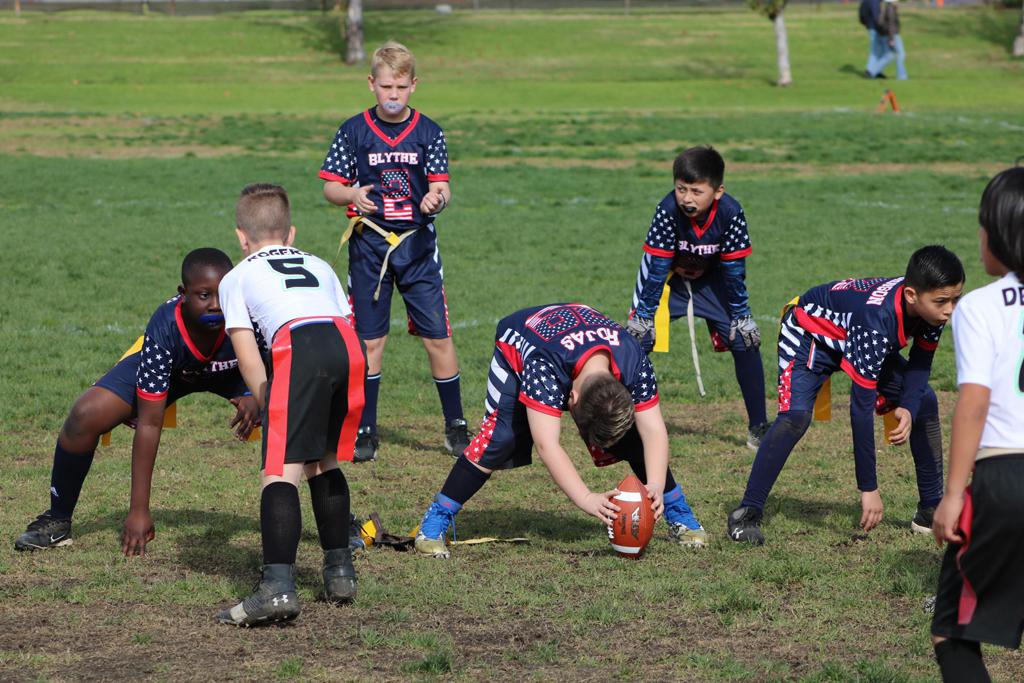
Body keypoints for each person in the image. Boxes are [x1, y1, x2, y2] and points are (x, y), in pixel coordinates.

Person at [413, 303, 707, 559]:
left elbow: (654, 430)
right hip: (520, 342)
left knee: (630, 436)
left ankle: (678, 510)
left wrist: (655, 485)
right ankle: (436, 519)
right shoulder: (544, 367)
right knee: (501, 438)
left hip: (576, 334)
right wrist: (586, 498)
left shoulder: (633, 357)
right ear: (571, 399)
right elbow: (547, 444)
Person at [14, 248, 259, 554]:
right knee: (85, 415)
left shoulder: (247, 312)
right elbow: (150, 420)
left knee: (299, 411)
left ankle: (331, 535)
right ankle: (58, 520)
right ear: (183, 294)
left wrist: (256, 395)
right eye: (203, 295)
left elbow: (280, 363)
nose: (214, 306)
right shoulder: (166, 324)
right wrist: (138, 510)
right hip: (172, 370)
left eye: (221, 295)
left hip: (237, 372)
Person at [728, 245, 965, 546]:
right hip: (809, 335)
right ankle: (746, 512)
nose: (950, 309)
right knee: (795, 418)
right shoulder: (877, 323)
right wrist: (869, 488)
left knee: (925, 401)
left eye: (956, 299)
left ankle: (931, 508)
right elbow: (860, 409)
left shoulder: (932, 308)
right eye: (943, 301)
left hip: (855, 337)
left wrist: (907, 406)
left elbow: (920, 364)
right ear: (911, 296)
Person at [215, 183, 366, 627]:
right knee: (324, 460)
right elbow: (343, 320)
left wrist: (266, 403)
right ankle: (340, 573)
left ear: (242, 238)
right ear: (291, 233)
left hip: (298, 346)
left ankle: (277, 588)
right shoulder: (319, 263)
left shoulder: (236, 275)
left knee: (280, 469)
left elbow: (246, 353)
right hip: (346, 347)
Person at [319, 41, 469, 463]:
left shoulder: (428, 131)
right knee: (370, 342)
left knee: (438, 337)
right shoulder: (353, 130)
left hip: (417, 248)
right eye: (386, 86)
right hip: (369, 246)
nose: (393, 95)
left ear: (414, 85)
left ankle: (455, 424)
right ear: (371, 84)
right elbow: (330, 186)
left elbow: (442, 186)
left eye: (401, 87)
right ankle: (364, 427)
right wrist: (350, 193)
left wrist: (436, 200)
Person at [930, 168, 1024, 682]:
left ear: (1001, 236)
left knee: (952, 631)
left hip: (1005, 479)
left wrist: (952, 494)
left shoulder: (981, 307)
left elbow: (973, 404)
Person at [626, 146, 769, 449]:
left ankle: (759, 425)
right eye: (681, 189)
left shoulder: (731, 211)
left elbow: (733, 269)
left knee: (744, 340)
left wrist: (742, 314)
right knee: (636, 341)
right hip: (668, 279)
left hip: (712, 280)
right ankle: (617, 419)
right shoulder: (667, 209)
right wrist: (645, 314)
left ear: (717, 192)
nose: (687, 198)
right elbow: (657, 266)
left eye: (696, 191)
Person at [875, 0, 908, 81]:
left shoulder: (888, 8)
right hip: (893, 35)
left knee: (890, 55)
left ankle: (873, 71)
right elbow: (891, 24)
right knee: (901, 54)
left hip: (891, 35)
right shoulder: (891, 9)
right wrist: (891, 38)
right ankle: (902, 76)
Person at [859, 0, 887, 79]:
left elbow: (861, 14)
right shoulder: (874, 2)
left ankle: (875, 71)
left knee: (877, 50)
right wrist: (882, 28)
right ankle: (870, 71)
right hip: (876, 28)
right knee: (877, 50)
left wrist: (866, 23)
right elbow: (876, 17)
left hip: (872, 27)